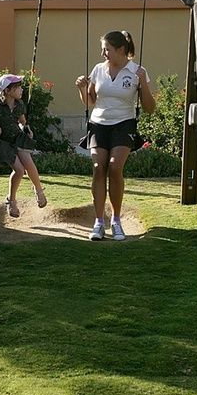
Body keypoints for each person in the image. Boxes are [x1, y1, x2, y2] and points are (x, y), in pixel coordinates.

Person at [75, 30, 155, 241]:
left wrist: (143, 84)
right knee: (97, 168)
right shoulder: (98, 70)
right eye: (102, 49)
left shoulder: (137, 71)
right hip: (99, 123)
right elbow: (90, 102)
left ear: (120, 49)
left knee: (114, 166)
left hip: (124, 123)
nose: (103, 53)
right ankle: (99, 222)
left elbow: (149, 108)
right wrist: (82, 89)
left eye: (106, 49)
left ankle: (117, 221)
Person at [0, 73, 47, 218]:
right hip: (4, 142)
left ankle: (39, 191)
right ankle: (12, 200)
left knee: (28, 162)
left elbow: (22, 121)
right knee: (19, 171)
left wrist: (27, 129)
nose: (21, 90)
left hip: (18, 137)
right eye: (17, 88)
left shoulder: (19, 104)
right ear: (7, 91)